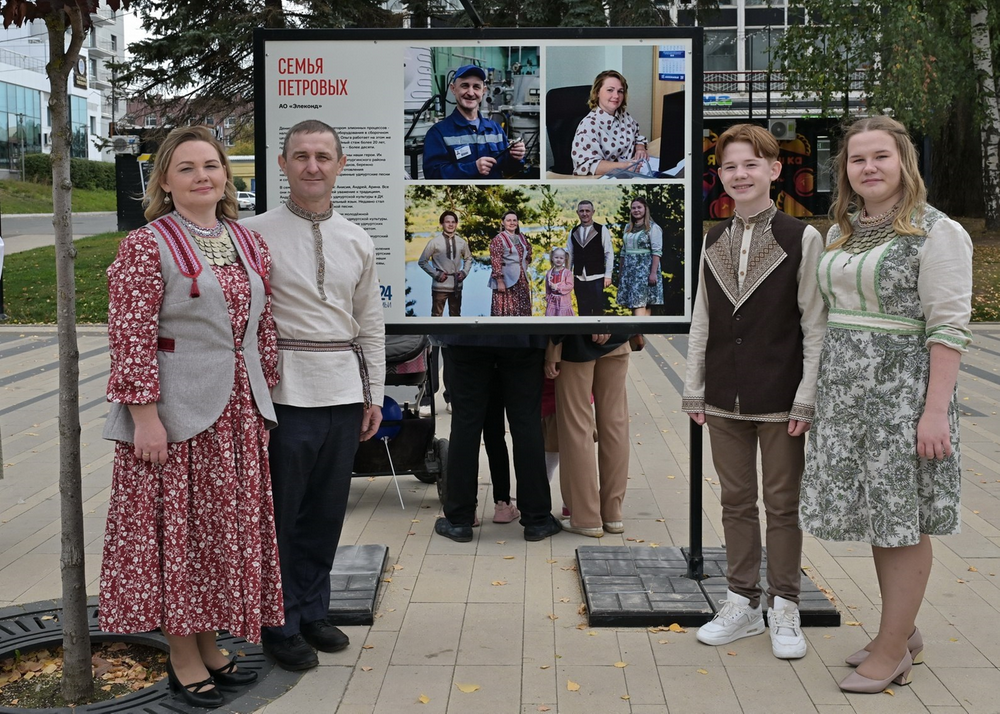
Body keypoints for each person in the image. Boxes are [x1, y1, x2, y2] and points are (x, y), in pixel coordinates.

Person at [100, 126, 281, 709]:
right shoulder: (146, 245)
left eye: (211, 165)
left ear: (227, 175)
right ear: (165, 182)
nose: (202, 176)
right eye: (187, 168)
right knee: (179, 537)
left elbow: (263, 324)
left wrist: (265, 390)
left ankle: (207, 640)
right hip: (175, 416)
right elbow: (131, 337)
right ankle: (181, 653)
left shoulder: (246, 241)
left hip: (237, 413)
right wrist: (144, 418)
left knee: (215, 537)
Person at [799, 116, 972, 693]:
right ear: (844, 169)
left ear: (904, 162)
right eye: (856, 159)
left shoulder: (935, 231)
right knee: (880, 516)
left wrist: (933, 410)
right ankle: (901, 630)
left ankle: (895, 648)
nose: (868, 168)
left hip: (902, 395)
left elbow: (947, 327)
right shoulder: (842, 231)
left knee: (902, 520)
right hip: (847, 394)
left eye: (880, 157)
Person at [243, 120, 386, 672]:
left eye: (323, 156)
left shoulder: (357, 237)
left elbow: (369, 321)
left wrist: (373, 391)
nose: (312, 166)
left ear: (340, 164)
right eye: (300, 156)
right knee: (282, 510)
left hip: (344, 391)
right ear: (282, 164)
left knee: (326, 512)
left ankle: (311, 609)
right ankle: (276, 621)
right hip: (283, 392)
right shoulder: (253, 233)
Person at [682, 123, 826, 661]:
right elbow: (702, 320)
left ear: (773, 169)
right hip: (723, 395)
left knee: (782, 504)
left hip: (781, 397)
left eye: (749, 165)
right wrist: (694, 388)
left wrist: (807, 394)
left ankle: (784, 603)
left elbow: (815, 323)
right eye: (728, 167)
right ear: (718, 176)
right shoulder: (712, 238)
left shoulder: (800, 237)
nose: (738, 175)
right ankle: (741, 600)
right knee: (736, 502)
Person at [434, 331, 563, 544]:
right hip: (523, 335)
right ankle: (537, 519)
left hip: (467, 334)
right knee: (526, 423)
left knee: (465, 424)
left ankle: (459, 519)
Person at [545, 334, 631, 537]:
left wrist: (554, 348)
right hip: (618, 338)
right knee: (615, 425)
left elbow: (563, 300)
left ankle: (586, 516)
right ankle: (613, 513)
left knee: (576, 427)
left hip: (575, 341)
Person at [423, 64, 526, 180]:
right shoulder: (438, 133)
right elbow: (433, 175)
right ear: (453, 89)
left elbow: (509, 170)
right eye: (465, 86)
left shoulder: (495, 129)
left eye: (476, 87)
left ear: (484, 91)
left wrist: (516, 157)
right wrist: (473, 168)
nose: (471, 93)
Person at [571, 70, 648, 177]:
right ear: (597, 92)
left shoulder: (623, 115)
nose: (616, 96)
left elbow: (637, 136)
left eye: (620, 91)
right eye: (610, 90)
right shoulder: (588, 125)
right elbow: (588, 165)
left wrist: (640, 148)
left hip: (632, 173)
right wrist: (624, 167)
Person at [417, 210, 472, 317]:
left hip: (456, 286)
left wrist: (464, 272)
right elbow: (422, 261)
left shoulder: (461, 242)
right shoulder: (434, 242)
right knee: (436, 316)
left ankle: (456, 334)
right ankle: (435, 334)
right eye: (447, 222)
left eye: (453, 222)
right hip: (439, 286)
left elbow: (468, 258)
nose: (450, 224)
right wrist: (436, 274)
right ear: (441, 224)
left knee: (455, 316)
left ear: (456, 224)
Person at [617, 197, 663, 316]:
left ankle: (637, 332)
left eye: (639, 207)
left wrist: (653, 273)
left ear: (645, 209)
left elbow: (657, 252)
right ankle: (641, 333)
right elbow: (623, 251)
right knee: (637, 302)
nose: (636, 210)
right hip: (629, 270)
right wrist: (621, 271)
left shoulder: (653, 228)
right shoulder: (628, 227)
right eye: (633, 208)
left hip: (644, 270)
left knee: (640, 302)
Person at [566, 200, 613, 317]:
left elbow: (608, 253)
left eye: (587, 211)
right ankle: (585, 335)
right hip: (579, 278)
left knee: (598, 311)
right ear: (577, 213)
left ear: (593, 212)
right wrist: (567, 276)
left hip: (597, 277)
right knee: (583, 311)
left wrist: (608, 275)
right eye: (581, 211)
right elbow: (570, 255)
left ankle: (598, 335)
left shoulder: (601, 229)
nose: (584, 213)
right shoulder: (573, 231)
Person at [489, 210, 533, 317]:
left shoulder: (521, 237)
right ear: (503, 222)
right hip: (506, 279)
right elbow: (496, 260)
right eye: (509, 220)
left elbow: (529, 251)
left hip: (521, 279)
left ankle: (522, 333)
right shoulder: (498, 239)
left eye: (514, 220)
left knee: (522, 310)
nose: (512, 223)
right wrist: (499, 280)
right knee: (506, 309)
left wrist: (525, 264)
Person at [545, 247, 574, 316]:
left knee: (563, 318)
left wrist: (558, 287)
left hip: (563, 300)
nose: (558, 260)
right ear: (552, 258)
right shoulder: (549, 273)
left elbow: (570, 286)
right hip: (552, 301)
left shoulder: (567, 273)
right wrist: (547, 295)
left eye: (561, 258)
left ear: (565, 259)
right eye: (556, 257)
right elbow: (547, 287)